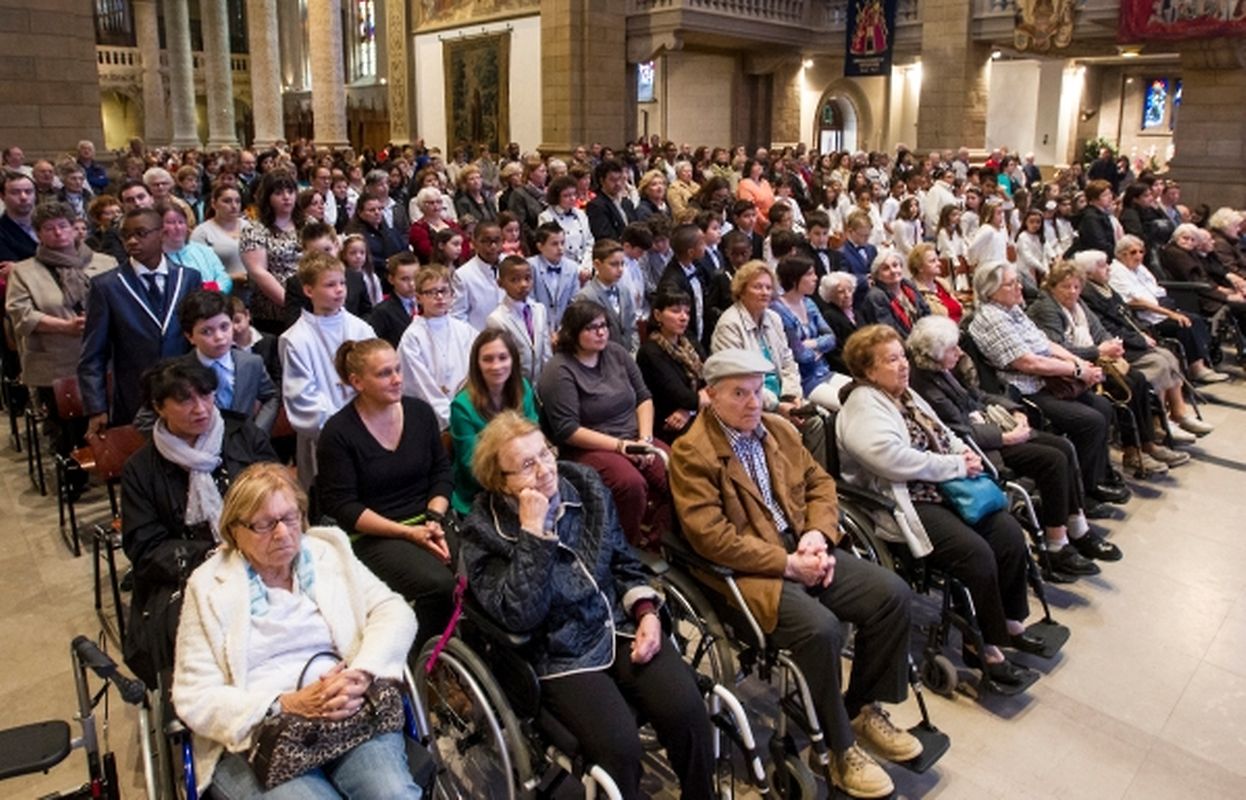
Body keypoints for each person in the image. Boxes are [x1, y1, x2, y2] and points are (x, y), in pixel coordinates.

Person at [670, 348, 921, 798]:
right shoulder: (693, 453)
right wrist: (788, 564)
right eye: (738, 394)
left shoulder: (779, 430)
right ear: (709, 395)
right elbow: (711, 538)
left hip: (802, 548)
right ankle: (839, 749)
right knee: (820, 629)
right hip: (749, 571)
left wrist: (818, 536)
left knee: (892, 595)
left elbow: (821, 484)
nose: (752, 403)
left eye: (757, 391)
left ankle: (861, 708)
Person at [461, 412, 715, 800]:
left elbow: (622, 561)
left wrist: (646, 612)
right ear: (501, 482)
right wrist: (533, 533)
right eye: (527, 465)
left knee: (689, 712)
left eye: (545, 453)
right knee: (620, 750)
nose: (545, 469)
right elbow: (521, 615)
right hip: (558, 652)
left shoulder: (584, 484)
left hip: (617, 623)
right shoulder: (483, 532)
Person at [170, 463, 422, 799]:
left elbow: (393, 610)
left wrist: (362, 672)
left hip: (348, 711)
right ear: (233, 530)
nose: (283, 533)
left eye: (290, 518)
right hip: (258, 736)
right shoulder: (207, 586)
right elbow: (194, 697)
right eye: (264, 524)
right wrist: (283, 704)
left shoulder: (327, 552)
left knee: (393, 794)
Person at [837, 324, 1037, 687]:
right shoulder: (862, 405)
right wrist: (955, 465)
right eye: (891, 359)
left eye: (902, 357)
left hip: (942, 487)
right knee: (975, 553)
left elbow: (942, 432)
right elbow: (891, 460)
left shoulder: (906, 395)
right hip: (902, 500)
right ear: (867, 370)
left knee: (1007, 531)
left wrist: (962, 453)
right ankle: (984, 647)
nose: (902, 365)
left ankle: (1008, 622)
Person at [907, 315, 1119, 577]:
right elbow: (958, 430)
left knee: (1063, 446)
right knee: (1051, 459)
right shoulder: (925, 385)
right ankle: (1056, 545)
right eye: (953, 349)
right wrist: (1006, 437)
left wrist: (1015, 410)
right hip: (980, 448)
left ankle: (1076, 525)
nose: (960, 352)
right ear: (936, 353)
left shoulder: (944, 369)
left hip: (990, 429)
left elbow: (979, 396)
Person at [122, 360, 278, 688]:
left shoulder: (242, 435)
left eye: (206, 396)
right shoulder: (141, 469)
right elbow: (145, 547)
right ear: (158, 407)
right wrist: (212, 555)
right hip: (189, 572)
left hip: (263, 554)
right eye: (185, 400)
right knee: (194, 630)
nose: (201, 409)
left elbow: (280, 496)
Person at [317, 338, 455, 652]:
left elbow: (441, 473)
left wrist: (434, 519)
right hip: (373, 533)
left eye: (397, 370)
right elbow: (344, 506)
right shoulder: (338, 433)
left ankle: (464, 654)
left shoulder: (419, 412)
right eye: (383, 374)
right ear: (357, 382)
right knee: (439, 585)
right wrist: (408, 533)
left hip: (429, 519)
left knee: (471, 572)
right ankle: (420, 661)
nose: (396, 379)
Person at [968, 261, 1128, 505]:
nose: (1019, 286)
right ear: (991, 291)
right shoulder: (991, 318)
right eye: (1011, 283)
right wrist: (1076, 371)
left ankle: (1094, 481)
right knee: (1090, 421)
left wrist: (1078, 363)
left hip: (1046, 380)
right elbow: (1028, 363)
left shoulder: (1012, 309)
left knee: (1103, 407)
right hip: (1024, 389)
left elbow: (1044, 343)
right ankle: (1082, 495)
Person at [1028, 260, 1188, 475]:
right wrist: (1098, 351)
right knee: (1125, 387)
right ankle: (1132, 451)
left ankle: (1146, 443)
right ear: (1052, 287)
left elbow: (1099, 330)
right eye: (1065, 287)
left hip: (1094, 358)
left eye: (1076, 287)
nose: (1072, 292)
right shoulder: (1046, 308)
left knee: (1138, 379)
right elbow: (1056, 347)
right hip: (1068, 369)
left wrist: (1112, 345)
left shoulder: (1079, 305)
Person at [537, 299, 669, 548]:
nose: (601, 332)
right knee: (630, 484)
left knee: (677, 472)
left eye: (604, 325)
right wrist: (622, 447)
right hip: (588, 447)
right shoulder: (559, 369)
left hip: (634, 436)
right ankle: (622, 549)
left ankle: (657, 541)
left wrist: (645, 439)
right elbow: (567, 429)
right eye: (591, 328)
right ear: (573, 332)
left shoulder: (617, 353)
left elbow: (644, 397)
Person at [5, 202, 116, 454]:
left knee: (112, 421)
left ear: (75, 229)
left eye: (63, 226)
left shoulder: (105, 262)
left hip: (102, 356)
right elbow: (21, 313)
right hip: (56, 359)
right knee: (67, 432)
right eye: (49, 228)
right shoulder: (23, 271)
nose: (58, 233)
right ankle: (72, 477)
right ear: (38, 234)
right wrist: (64, 326)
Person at [80, 207, 203, 434]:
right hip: (133, 396)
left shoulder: (189, 278)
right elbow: (93, 354)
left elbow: (197, 338)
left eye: (141, 233)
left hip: (184, 393)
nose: (132, 241)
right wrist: (96, 407)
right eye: (126, 236)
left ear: (162, 234)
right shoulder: (107, 286)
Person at [1076, 248, 1212, 439]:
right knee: (1159, 363)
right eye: (1102, 265)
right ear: (1087, 272)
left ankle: (1179, 412)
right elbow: (1108, 328)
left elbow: (1127, 316)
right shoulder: (1088, 295)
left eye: (1107, 263)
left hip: (1131, 337)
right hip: (1117, 344)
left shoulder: (1107, 289)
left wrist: (1142, 331)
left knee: (1169, 356)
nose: (1108, 268)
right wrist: (1139, 339)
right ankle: (1158, 421)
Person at [279, 250, 377, 490]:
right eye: (330, 284)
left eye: (342, 283)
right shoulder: (296, 339)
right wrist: (343, 433)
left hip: (370, 431)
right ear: (309, 290)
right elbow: (302, 399)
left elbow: (378, 377)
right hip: (325, 439)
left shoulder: (361, 329)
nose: (340, 290)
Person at [1109, 234, 1227, 383]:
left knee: (1197, 320)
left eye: (1141, 252)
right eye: (1133, 252)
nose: (1139, 256)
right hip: (1144, 318)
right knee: (1185, 324)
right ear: (1121, 254)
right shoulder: (1116, 272)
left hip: (1160, 309)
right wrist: (1170, 314)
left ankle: (1201, 364)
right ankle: (1196, 369)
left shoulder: (1140, 269)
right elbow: (1134, 302)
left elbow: (1157, 290)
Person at [449, 329, 540, 515]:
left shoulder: (523, 388)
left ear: (513, 359)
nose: (496, 366)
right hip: (481, 493)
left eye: (502, 357)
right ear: (477, 364)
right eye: (488, 359)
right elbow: (472, 467)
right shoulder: (462, 406)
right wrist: (518, 477)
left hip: (527, 479)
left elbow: (534, 441)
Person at [710, 260, 805, 420]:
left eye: (768, 288)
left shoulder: (774, 318)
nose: (765, 292)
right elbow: (739, 379)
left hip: (782, 397)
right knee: (795, 430)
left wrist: (792, 395)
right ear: (742, 290)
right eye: (757, 287)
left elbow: (787, 361)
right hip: (750, 405)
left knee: (818, 419)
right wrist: (777, 406)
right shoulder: (729, 325)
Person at [398, 264, 477, 430]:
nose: (439, 297)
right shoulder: (412, 338)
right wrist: (450, 417)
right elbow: (420, 386)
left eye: (444, 291)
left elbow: (476, 370)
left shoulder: (465, 330)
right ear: (418, 297)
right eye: (432, 292)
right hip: (433, 419)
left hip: (469, 412)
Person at [771, 254, 851, 409]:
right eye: (809, 274)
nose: (815, 278)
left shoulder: (809, 303)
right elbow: (800, 355)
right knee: (846, 405)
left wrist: (812, 343)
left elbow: (831, 338)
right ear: (794, 278)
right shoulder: (777, 309)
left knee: (863, 395)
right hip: (804, 380)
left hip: (824, 371)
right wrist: (817, 348)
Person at [636, 288, 709, 443]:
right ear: (657, 315)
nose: (683, 317)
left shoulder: (689, 340)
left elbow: (712, 378)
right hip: (667, 422)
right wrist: (695, 403)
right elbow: (681, 396)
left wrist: (689, 410)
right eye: (676, 311)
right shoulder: (650, 352)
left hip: (691, 413)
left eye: (687, 312)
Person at [240, 169, 304, 333]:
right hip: (273, 313)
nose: (286, 197)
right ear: (267, 198)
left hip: (311, 303)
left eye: (290, 191)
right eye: (278, 193)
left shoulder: (308, 224)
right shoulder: (255, 230)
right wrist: (292, 305)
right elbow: (259, 273)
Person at [485, 254, 552, 382]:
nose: (523, 284)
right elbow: (503, 359)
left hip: (540, 384)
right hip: (515, 384)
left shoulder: (539, 309)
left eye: (527, 278)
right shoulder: (497, 319)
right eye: (514, 280)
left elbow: (546, 351)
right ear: (500, 283)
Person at [576, 239, 638, 353]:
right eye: (614, 264)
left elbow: (632, 327)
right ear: (597, 265)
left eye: (622, 264)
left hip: (627, 356)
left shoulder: (625, 291)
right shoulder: (585, 296)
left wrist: (633, 353)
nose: (620, 269)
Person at [160, 203, 232, 294]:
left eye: (181, 222)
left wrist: (210, 290)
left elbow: (224, 278)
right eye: (170, 223)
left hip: (214, 301)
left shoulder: (203, 250)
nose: (177, 227)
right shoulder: (157, 257)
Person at [858, 249, 931, 337]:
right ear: (877, 276)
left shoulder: (907, 285)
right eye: (886, 268)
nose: (893, 271)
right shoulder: (876, 296)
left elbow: (926, 311)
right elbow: (890, 331)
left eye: (895, 265)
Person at [449, 220, 505, 330]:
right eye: (486, 241)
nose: (493, 246)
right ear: (474, 243)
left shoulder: (512, 264)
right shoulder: (463, 275)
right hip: (480, 337)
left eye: (497, 241)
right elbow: (458, 315)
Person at [189, 184, 250, 284]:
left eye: (238, 201)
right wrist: (232, 277)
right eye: (227, 201)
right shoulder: (202, 232)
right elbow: (199, 273)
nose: (234, 206)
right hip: (220, 293)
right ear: (214, 203)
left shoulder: (250, 227)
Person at [527, 222, 581, 329]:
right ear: (540, 246)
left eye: (562, 243)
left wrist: (564, 329)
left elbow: (574, 302)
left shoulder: (572, 267)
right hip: (538, 327)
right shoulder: (530, 266)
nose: (560, 248)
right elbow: (530, 302)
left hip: (565, 328)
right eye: (554, 244)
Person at [538, 175, 594, 265]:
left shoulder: (581, 214)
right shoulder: (546, 217)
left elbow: (589, 242)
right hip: (560, 266)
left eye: (574, 194)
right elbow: (550, 248)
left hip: (584, 266)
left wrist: (586, 265)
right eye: (566, 196)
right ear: (556, 197)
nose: (572, 198)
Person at [367, 253, 419, 348]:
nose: (412, 284)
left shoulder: (426, 304)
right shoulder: (382, 312)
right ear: (391, 279)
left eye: (416, 278)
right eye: (404, 279)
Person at [407, 185, 467, 264]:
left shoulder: (451, 224)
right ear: (421, 205)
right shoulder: (417, 228)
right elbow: (426, 251)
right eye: (431, 203)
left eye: (439, 202)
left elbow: (465, 244)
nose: (436, 206)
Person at [815, 271, 859, 374]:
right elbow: (835, 354)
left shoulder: (856, 312)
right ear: (830, 295)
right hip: (848, 369)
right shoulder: (829, 317)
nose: (847, 295)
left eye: (850, 290)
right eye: (841, 292)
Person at [908, 242, 962, 322]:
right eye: (933, 261)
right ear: (919, 267)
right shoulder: (914, 292)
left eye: (937, 260)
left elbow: (959, 308)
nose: (939, 264)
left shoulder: (942, 283)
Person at [586, 159, 638, 242]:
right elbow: (604, 237)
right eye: (613, 180)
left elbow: (637, 228)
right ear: (602, 181)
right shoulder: (596, 205)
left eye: (620, 179)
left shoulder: (627, 203)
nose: (618, 184)